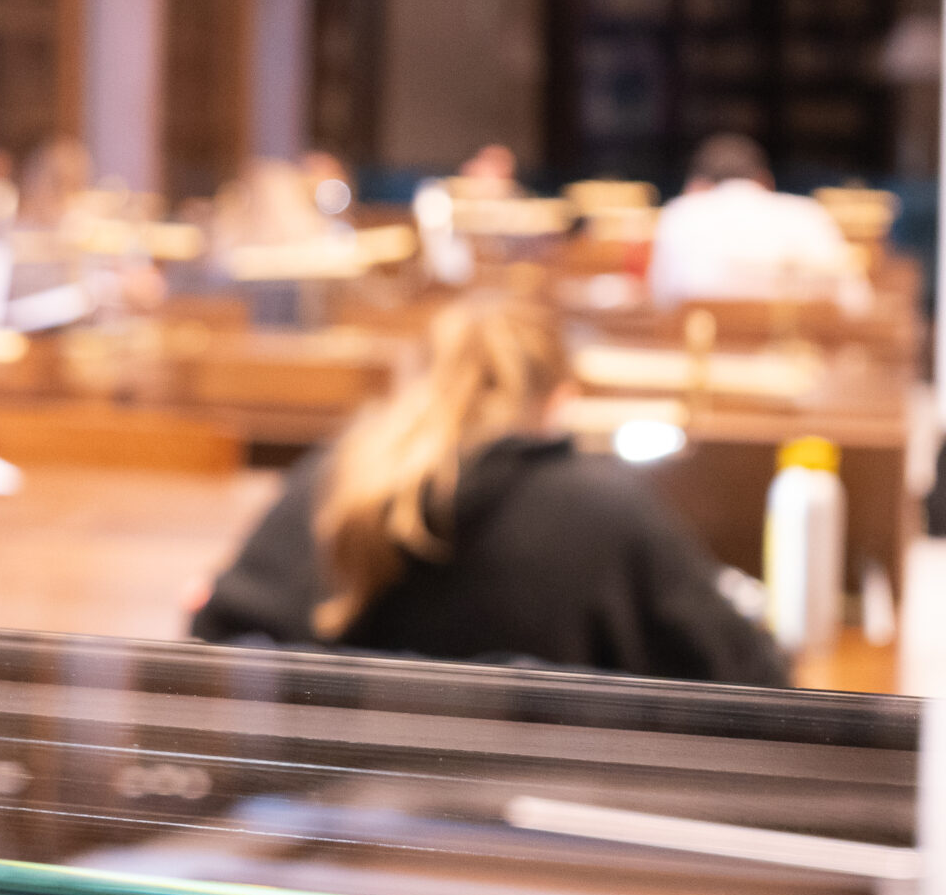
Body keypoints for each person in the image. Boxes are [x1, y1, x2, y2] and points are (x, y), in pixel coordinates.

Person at [191, 293, 786, 684]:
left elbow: (213, 639)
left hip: (339, 823)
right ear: (559, 398)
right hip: (551, 828)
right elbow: (751, 680)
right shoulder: (606, 507)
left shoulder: (334, 476)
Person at [646, 132, 865, 313]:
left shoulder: (682, 213)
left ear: (697, 185)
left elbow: (661, 301)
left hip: (707, 346)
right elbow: (857, 301)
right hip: (807, 346)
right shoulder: (808, 213)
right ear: (765, 180)